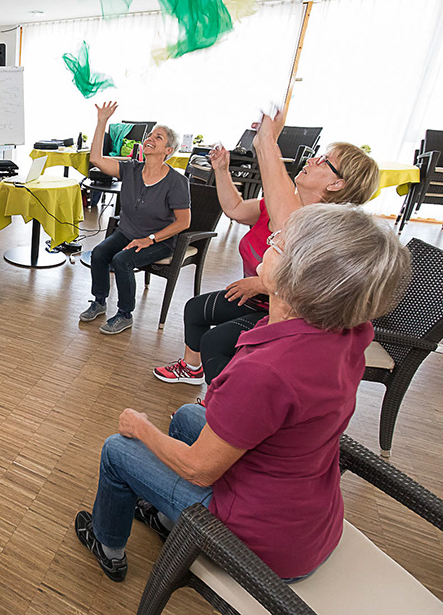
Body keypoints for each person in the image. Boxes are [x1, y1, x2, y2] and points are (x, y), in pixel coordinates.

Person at [74, 203, 410, 583]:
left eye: (280, 242)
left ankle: (107, 545)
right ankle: (168, 519)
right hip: (306, 514)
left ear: (296, 278)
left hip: (260, 542)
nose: (271, 239)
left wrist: (141, 428)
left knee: (119, 448)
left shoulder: (267, 371)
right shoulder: (349, 332)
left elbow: (198, 470)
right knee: (187, 416)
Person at [153, 111, 381, 385]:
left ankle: (224, 403)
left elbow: (307, 284)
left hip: (283, 314)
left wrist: (267, 140)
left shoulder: (320, 228)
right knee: (195, 310)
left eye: (324, 161)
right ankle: (192, 370)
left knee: (216, 342)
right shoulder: (274, 207)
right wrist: (222, 170)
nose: (312, 159)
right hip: (257, 299)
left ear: (336, 183)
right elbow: (235, 209)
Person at [79, 102, 191, 334]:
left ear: (168, 150)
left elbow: (184, 223)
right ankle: (99, 301)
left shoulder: (177, 182)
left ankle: (124, 314)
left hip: (159, 241)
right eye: (150, 134)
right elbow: (96, 159)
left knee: (122, 260)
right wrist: (102, 122)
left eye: (158, 137)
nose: (149, 138)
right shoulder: (130, 170)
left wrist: (150, 239)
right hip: (127, 232)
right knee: (100, 253)